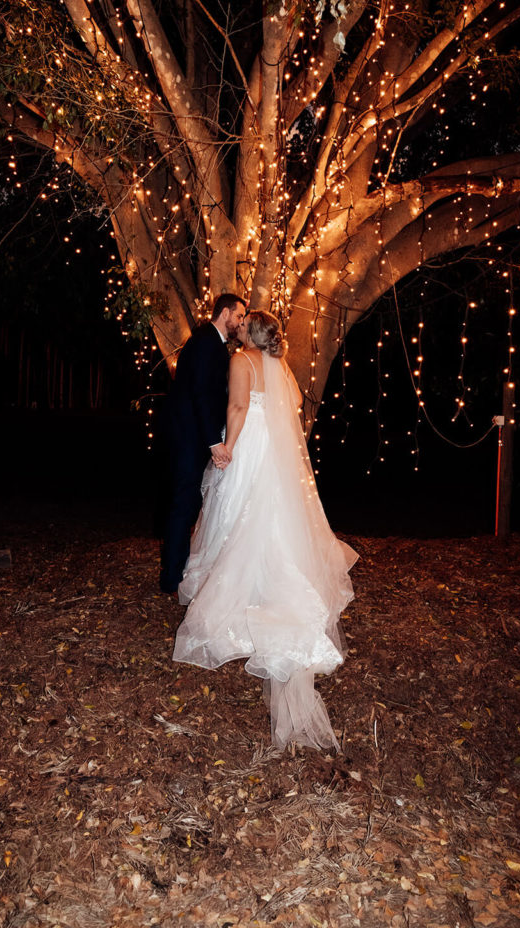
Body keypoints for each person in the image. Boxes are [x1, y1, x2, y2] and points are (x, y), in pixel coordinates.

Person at [172, 310, 358, 752]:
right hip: (274, 451)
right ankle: (264, 584)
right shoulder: (281, 367)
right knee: (268, 519)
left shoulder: (242, 361)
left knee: (237, 515)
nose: (237, 329)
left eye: (241, 326)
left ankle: (245, 590)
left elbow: (237, 407)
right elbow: (291, 407)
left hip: (249, 445)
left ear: (248, 333)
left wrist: (228, 447)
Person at [159, 293, 247, 595]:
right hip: (190, 437)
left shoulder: (212, 343)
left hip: (195, 435)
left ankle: (178, 569)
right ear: (225, 313)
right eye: (238, 316)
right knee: (183, 504)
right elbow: (199, 393)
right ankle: (171, 577)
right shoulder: (205, 342)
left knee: (189, 503)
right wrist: (213, 441)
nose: (240, 322)